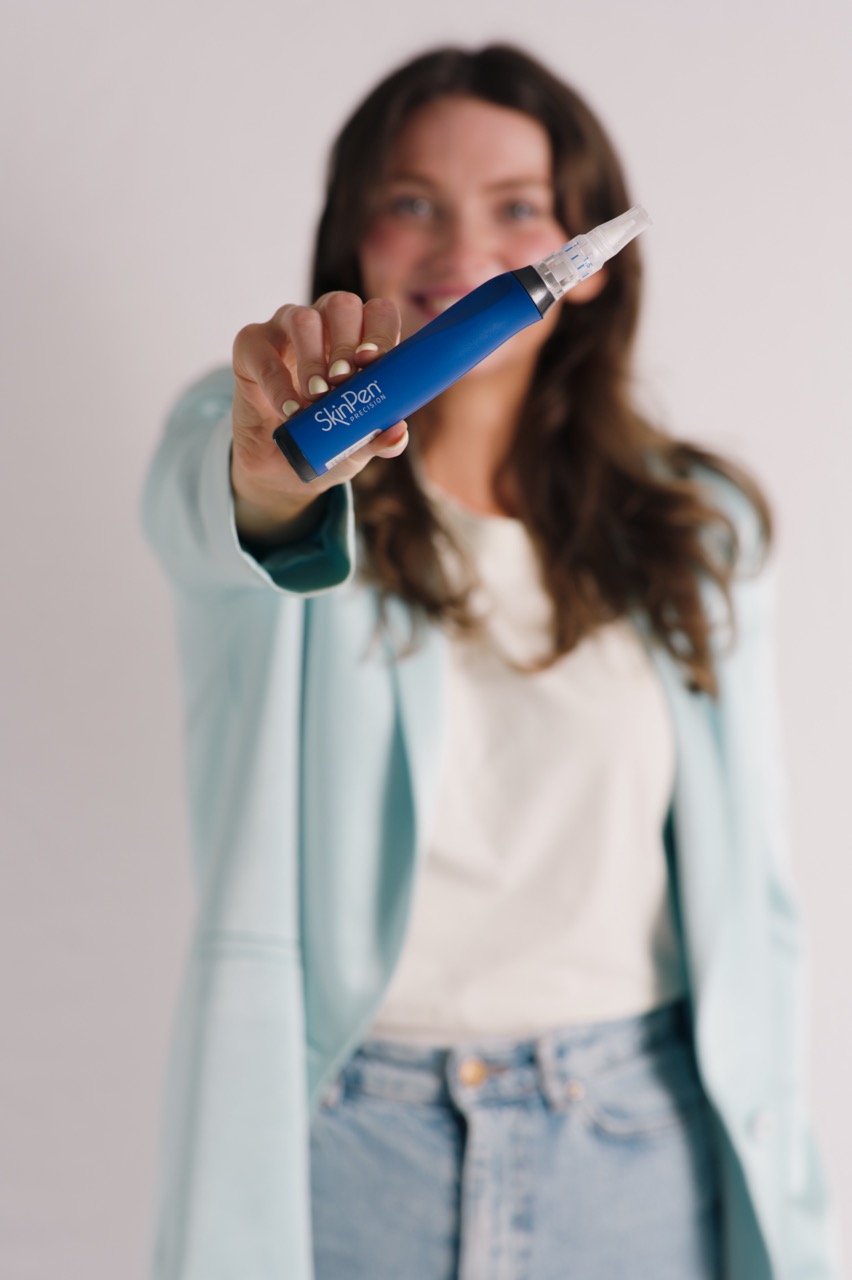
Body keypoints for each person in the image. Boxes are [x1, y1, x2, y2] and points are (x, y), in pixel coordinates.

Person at [141, 44, 840, 1280]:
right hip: (351, 1146)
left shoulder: (699, 527)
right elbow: (224, 518)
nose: (465, 246)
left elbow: (760, 899)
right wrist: (273, 465)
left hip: (637, 1140)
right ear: (350, 240)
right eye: (412, 202)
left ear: (581, 258)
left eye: (519, 208)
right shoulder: (255, 440)